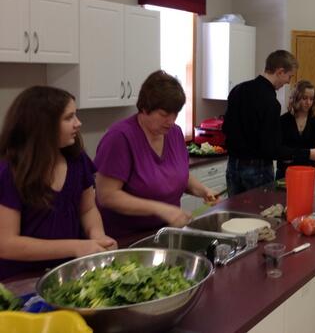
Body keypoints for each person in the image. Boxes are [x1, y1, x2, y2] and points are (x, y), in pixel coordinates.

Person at [0, 86, 117, 280]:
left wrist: (98, 237)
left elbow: (87, 209)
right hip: (20, 279)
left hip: (69, 273)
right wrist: (76, 246)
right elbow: (6, 244)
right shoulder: (8, 172)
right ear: (43, 125)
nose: (78, 123)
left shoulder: (77, 159)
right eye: (69, 117)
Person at [94, 70, 217, 240]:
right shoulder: (119, 137)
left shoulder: (174, 133)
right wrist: (160, 209)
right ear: (144, 108)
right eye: (164, 114)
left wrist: (203, 191)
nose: (171, 121)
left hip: (166, 233)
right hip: (126, 239)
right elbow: (107, 196)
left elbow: (177, 175)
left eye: (175, 114)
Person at [223, 50, 315, 196]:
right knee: (259, 214)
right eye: (289, 76)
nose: (288, 81)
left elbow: (225, 129)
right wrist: (308, 153)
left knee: (235, 214)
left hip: (232, 166)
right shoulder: (271, 102)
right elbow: (272, 149)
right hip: (257, 169)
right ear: (280, 72)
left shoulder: (237, 89)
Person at [276, 80, 315, 179]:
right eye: (304, 98)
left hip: (308, 175)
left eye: (311, 99)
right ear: (296, 98)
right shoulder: (283, 121)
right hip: (285, 176)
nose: (308, 102)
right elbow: (278, 150)